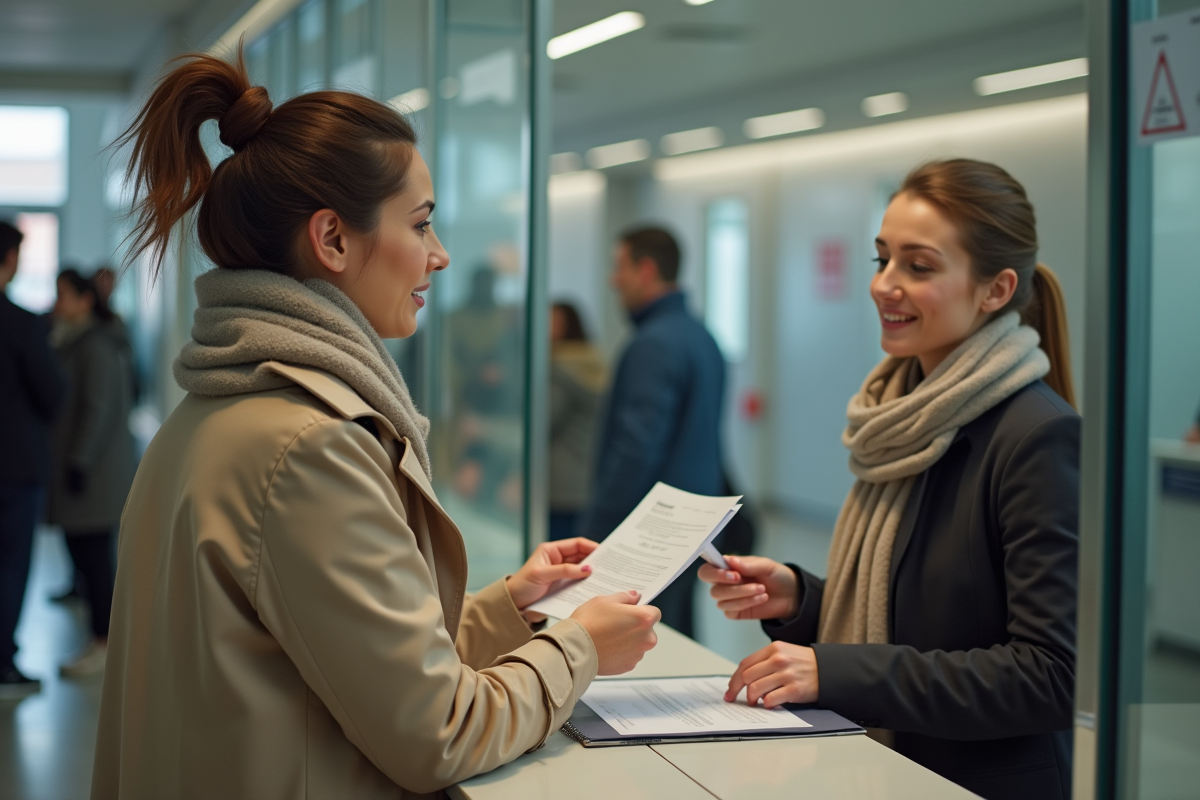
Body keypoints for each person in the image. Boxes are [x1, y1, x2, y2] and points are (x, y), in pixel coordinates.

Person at [91, 50, 659, 799]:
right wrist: (579, 648)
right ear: (332, 240)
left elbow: (347, 659)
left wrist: (510, 607)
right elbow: (438, 731)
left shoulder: (214, 411)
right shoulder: (311, 446)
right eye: (421, 225)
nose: (439, 256)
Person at [700, 159, 1079, 800]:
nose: (884, 285)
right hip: (886, 767)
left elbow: (1047, 676)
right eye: (882, 260)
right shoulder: (900, 420)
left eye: (919, 266)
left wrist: (834, 672)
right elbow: (912, 614)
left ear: (995, 289)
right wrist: (802, 599)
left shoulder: (1036, 436)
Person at [579, 227, 726, 638]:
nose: (613, 280)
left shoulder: (653, 344)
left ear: (645, 270)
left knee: (645, 642)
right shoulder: (702, 336)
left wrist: (594, 533)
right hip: (693, 524)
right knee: (676, 631)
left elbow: (637, 448)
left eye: (619, 267)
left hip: (652, 532)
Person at [45, 269, 136, 677]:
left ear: (85, 301)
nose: (57, 303)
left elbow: (98, 409)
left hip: (93, 472)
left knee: (95, 559)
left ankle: (104, 643)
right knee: (85, 555)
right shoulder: (73, 340)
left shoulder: (96, 345)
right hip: (80, 468)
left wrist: (81, 460)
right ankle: (100, 640)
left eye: (64, 295)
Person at [0, 221, 67, 698]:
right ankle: (3, 662)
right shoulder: (21, 323)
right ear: (9, 260)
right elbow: (53, 393)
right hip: (14, 465)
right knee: (9, 564)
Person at [548, 302, 606, 541]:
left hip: (559, 486)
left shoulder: (560, 371)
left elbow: (541, 426)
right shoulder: (594, 364)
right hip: (588, 482)